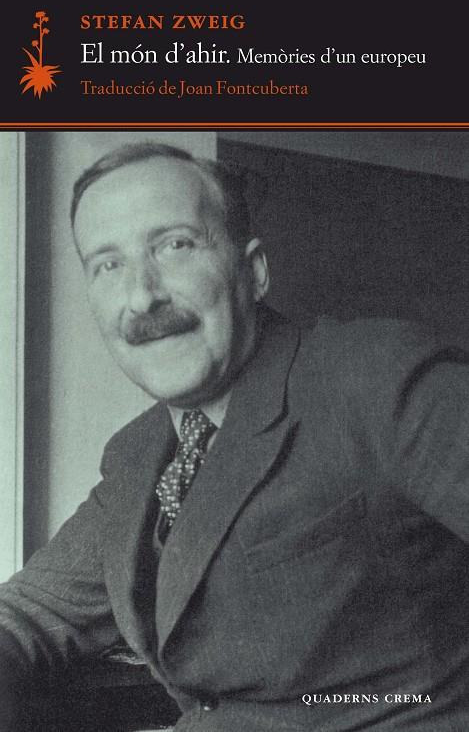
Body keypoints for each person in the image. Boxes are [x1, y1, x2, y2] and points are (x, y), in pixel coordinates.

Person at [1, 141, 469, 732]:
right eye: (107, 265)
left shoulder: (373, 377)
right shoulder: (137, 455)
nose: (142, 296)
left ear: (254, 272)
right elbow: (28, 615)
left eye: (175, 245)